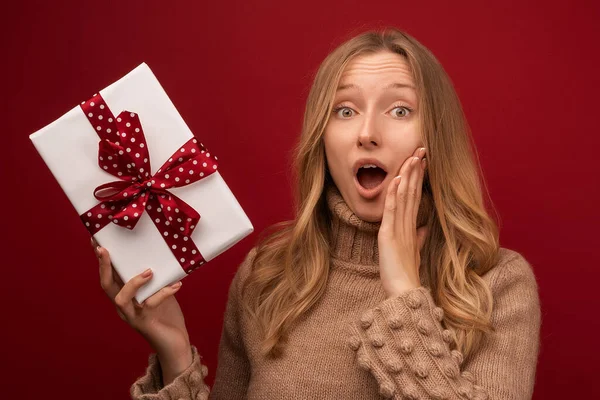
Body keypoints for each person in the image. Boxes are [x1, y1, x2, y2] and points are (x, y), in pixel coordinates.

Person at [93, 27, 541, 400]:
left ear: (436, 135)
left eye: (399, 109)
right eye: (344, 110)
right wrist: (173, 350)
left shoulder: (497, 283)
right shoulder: (268, 275)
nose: (367, 133)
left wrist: (404, 291)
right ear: (322, 140)